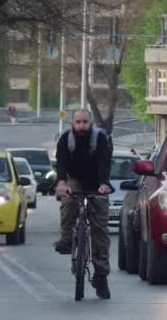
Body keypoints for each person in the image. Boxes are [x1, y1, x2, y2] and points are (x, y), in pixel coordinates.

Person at [54, 109, 112, 299]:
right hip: (75, 180)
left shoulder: (100, 139)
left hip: (97, 182)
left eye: (85, 122)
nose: (81, 126)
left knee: (100, 230)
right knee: (68, 203)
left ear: (91, 122)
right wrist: (62, 183)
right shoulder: (65, 139)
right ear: (72, 123)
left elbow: (104, 162)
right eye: (78, 122)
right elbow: (61, 162)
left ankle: (101, 276)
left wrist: (104, 184)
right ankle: (66, 239)